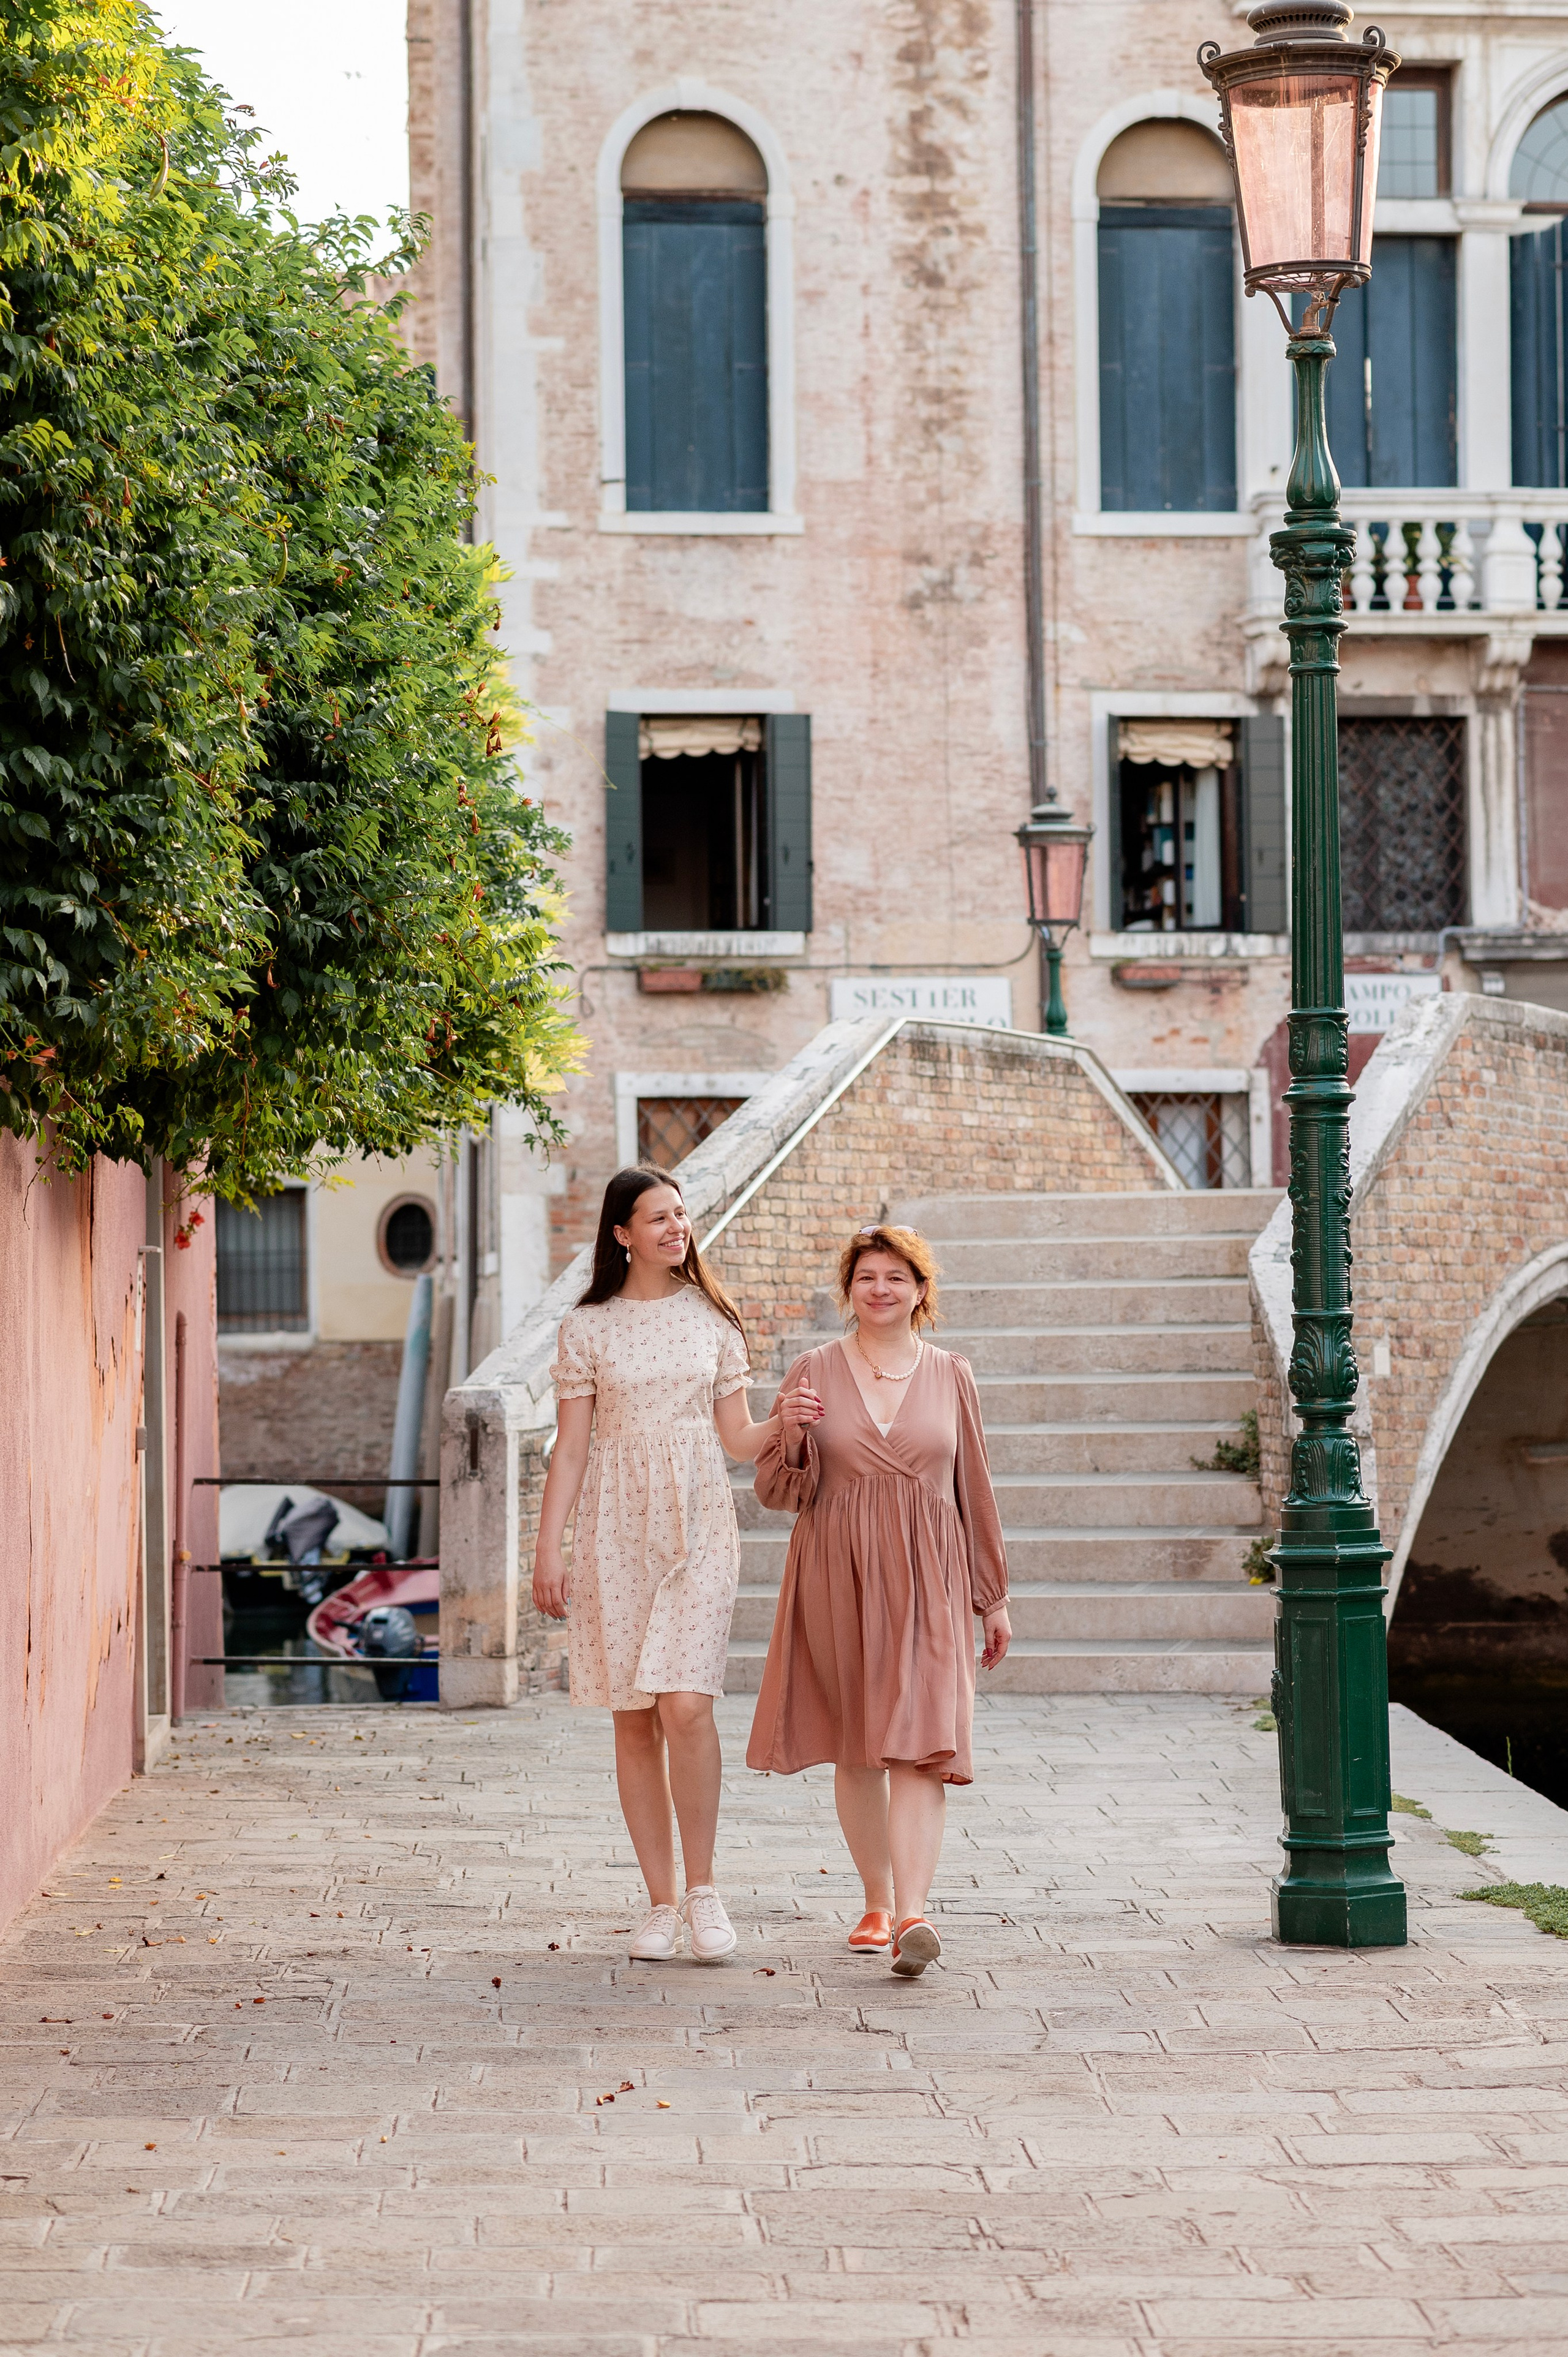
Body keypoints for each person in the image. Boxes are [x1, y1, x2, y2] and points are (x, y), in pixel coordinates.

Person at [533, 1166, 820, 1966]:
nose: (676, 1229)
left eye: (681, 1215)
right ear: (621, 1233)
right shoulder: (586, 1328)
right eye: (658, 1218)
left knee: (687, 1706)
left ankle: (704, 1890)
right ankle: (658, 1903)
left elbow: (736, 1439)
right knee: (634, 1717)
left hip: (699, 1523)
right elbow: (572, 1451)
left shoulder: (712, 1319)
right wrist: (547, 1548)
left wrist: (781, 1422)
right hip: (613, 1528)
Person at [746, 1223, 1011, 1977]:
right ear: (849, 1290)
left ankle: (915, 1911)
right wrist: (792, 1436)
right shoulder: (813, 1368)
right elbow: (777, 1490)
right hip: (838, 1567)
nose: (881, 1287)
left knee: (924, 1742)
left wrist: (992, 1597)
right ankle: (875, 1899)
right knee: (859, 1740)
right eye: (867, 1276)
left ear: (920, 1291)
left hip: (931, 1573)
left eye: (897, 1276)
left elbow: (975, 1489)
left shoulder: (952, 1373)